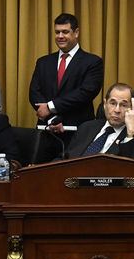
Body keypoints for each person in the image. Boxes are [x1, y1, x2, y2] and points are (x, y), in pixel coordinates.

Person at [28, 13, 104, 161]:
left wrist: (50, 107)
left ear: (76, 33)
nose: (60, 36)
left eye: (65, 32)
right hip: (47, 132)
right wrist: (53, 119)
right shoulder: (43, 62)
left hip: (78, 133)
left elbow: (86, 93)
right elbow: (34, 92)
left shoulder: (92, 62)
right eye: (57, 32)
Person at [66, 83, 134, 161]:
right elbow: (64, 158)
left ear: (132, 108)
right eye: (112, 103)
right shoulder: (86, 128)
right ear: (105, 104)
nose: (117, 110)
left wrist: (131, 133)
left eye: (123, 105)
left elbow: (132, 172)